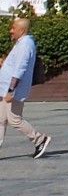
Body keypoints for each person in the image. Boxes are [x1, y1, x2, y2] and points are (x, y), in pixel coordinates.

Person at [0, 15, 51, 158]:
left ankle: (40, 139)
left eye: (13, 28)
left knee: (14, 119)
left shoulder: (25, 44)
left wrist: (11, 90)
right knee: (1, 119)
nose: (11, 31)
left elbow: (20, 69)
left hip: (13, 90)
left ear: (21, 30)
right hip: (5, 89)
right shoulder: (21, 43)